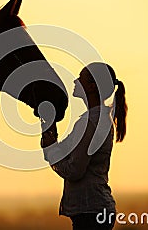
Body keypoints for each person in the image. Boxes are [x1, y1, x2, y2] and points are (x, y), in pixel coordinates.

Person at [41, 62, 127, 230]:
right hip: (94, 209)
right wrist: (49, 132)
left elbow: (74, 170)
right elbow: (61, 152)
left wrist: (51, 148)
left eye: (81, 78)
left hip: (90, 212)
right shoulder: (97, 119)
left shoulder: (90, 122)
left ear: (93, 86)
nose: (75, 81)